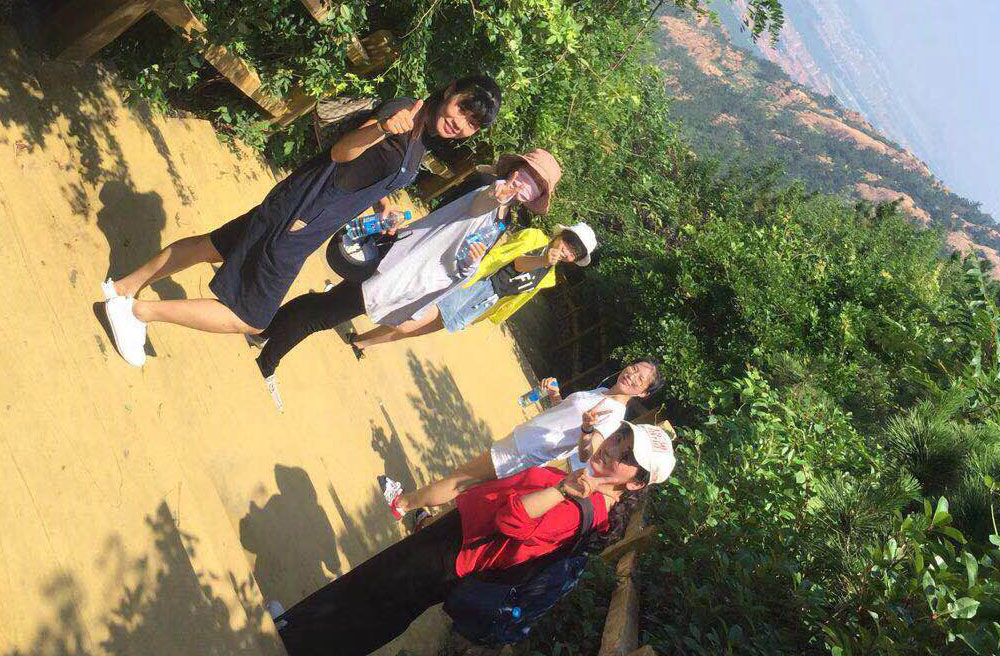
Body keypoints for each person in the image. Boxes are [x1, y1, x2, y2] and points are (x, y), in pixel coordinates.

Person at [101, 75, 502, 367]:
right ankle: (136, 312)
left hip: (301, 208)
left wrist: (380, 204)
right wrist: (382, 127)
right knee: (251, 317)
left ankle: (122, 288)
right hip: (302, 215)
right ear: (450, 91)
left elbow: (367, 169)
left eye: (472, 123)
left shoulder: (421, 137)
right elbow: (342, 153)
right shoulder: (404, 112)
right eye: (463, 108)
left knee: (214, 245)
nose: (461, 122)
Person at [267, 421, 676, 656]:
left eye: (627, 457)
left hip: (456, 555)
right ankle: (297, 626)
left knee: (373, 602)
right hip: (458, 539)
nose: (613, 450)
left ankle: (295, 638)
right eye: (620, 439)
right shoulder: (589, 484)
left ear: (636, 483)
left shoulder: (581, 506)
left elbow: (513, 521)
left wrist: (560, 490)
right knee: (374, 593)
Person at [251, 149, 563, 408]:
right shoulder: (489, 188)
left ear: (537, 196)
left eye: (538, 184)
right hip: (399, 267)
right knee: (324, 314)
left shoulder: (505, 219)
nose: (530, 183)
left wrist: (469, 264)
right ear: (517, 167)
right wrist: (496, 195)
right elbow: (478, 201)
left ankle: (265, 333)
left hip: (415, 280)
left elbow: (465, 257)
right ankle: (267, 362)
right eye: (530, 173)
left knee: (329, 304)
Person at [381, 359, 664, 519]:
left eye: (640, 379)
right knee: (469, 487)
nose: (632, 375)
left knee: (460, 480)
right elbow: (565, 418)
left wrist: (588, 430)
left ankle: (403, 504)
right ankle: (424, 518)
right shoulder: (604, 392)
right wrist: (555, 396)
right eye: (634, 369)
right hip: (524, 442)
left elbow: (587, 452)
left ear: (643, 393)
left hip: (525, 451)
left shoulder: (614, 414)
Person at [347, 221, 597, 353]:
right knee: (410, 321)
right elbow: (516, 263)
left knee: (417, 330)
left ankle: (361, 342)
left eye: (575, 252)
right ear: (560, 235)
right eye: (569, 242)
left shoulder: (550, 277)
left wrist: (489, 314)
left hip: (484, 302)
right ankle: (354, 304)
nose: (568, 251)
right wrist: (542, 260)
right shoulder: (535, 239)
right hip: (478, 283)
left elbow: (513, 296)